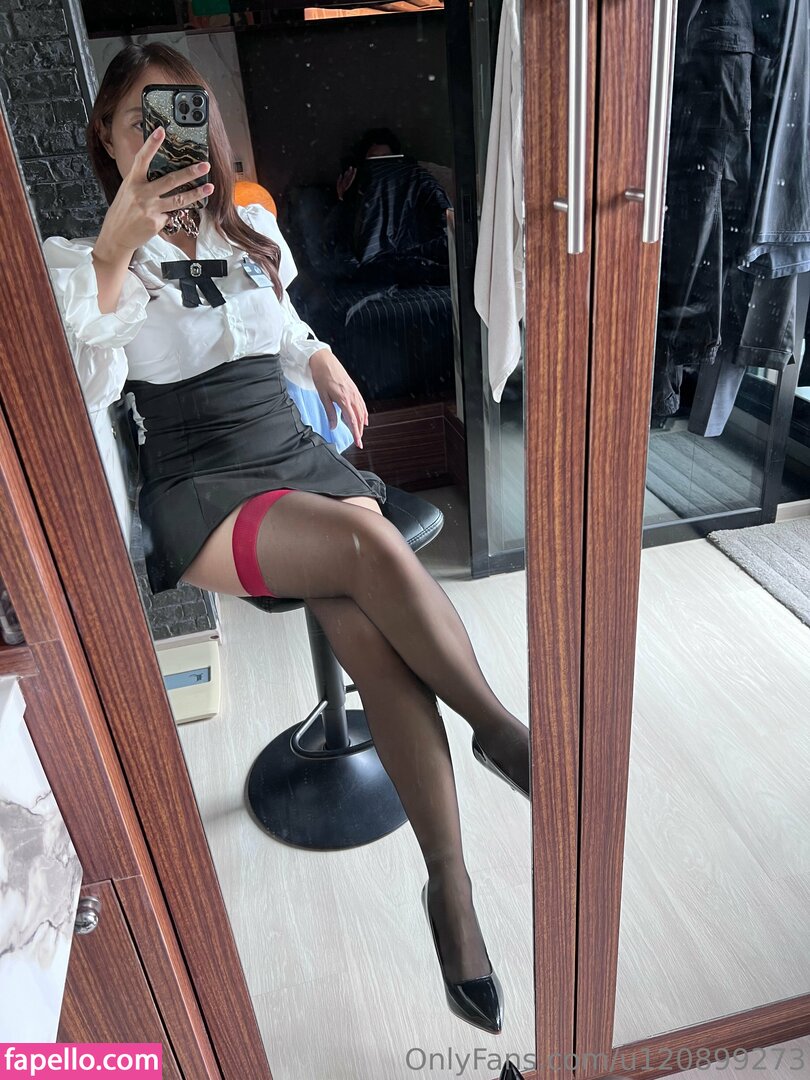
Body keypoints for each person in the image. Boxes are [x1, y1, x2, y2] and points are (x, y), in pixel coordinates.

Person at [42, 42, 529, 1034]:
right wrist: (114, 250)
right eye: (140, 121)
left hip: (288, 450)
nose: (162, 138)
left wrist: (323, 359)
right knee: (366, 550)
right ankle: (502, 733)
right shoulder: (81, 265)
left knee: (373, 641)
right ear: (107, 137)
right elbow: (86, 381)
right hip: (202, 480)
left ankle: (451, 892)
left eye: (180, 116)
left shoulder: (250, 226)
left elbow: (288, 322)